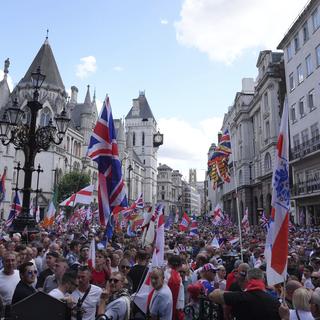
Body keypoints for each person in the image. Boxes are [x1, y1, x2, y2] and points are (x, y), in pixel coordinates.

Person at [209, 268, 281, 320]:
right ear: (263, 280)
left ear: (247, 280)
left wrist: (232, 295)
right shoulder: (275, 302)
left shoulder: (240, 297)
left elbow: (212, 295)